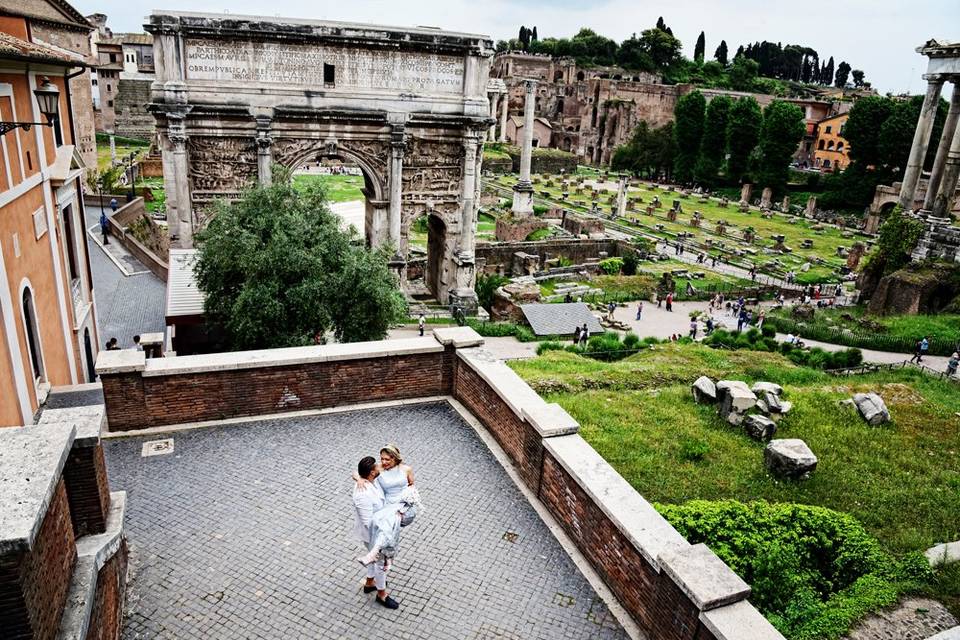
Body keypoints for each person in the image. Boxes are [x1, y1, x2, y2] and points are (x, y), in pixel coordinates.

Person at [352, 456, 397, 609]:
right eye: (376, 466)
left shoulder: (370, 480)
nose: (380, 466)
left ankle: (370, 583)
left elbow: (356, 473)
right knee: (380, 563)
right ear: (371, 473)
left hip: (379, 528)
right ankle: (382, 594)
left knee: (376, 561)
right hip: (374, 534)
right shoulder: (362, 494)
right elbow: (368, 522)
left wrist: (357, 477)